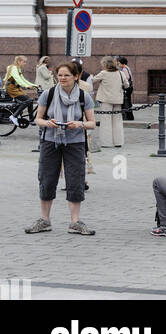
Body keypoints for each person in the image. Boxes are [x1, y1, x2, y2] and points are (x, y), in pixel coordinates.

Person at [25, 59, 96, 236]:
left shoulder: (83, 96)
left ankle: (75, 222)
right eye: (60, 75)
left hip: (75, 143)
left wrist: (79, 124)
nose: (62, 78)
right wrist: (48, 123)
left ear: (76, 76)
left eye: (67, 75)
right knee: (47, 178)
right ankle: (44, 220)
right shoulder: (48, 94)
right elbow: (38, 119)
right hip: (50, 141)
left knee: (75, 180)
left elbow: (92, 123)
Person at [89, 57, 125, 148]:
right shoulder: (121, 73)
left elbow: (92, 81)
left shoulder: (103, 73)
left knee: (106, 121)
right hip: (118, 100)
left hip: (106, 100)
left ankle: (106, 143)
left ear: (105, 64)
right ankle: (118, 142)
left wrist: (91, 76)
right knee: (117, 121)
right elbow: (126, 84)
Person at [117, 56, 134, 121]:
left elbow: (126, 78)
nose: (118, 65)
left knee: (126, 102)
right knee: (128, 102)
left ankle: (127, 117)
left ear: (122, 63)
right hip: (130, 87)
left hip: (127, 88)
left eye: (119, 63)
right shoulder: (127, 68)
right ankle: (130, 116)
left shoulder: (124, 69)